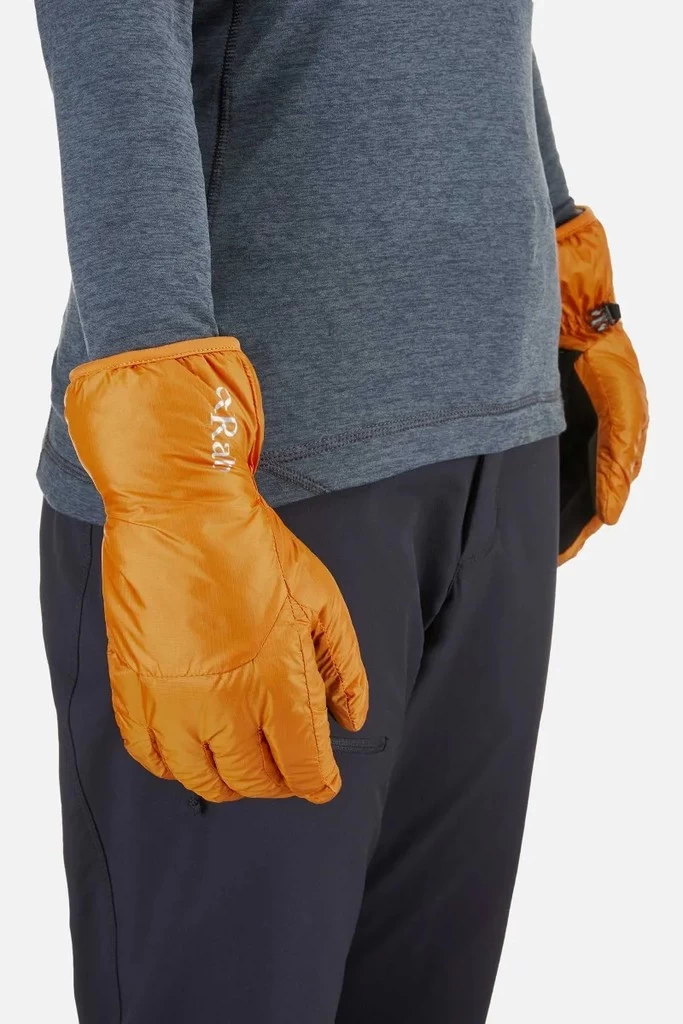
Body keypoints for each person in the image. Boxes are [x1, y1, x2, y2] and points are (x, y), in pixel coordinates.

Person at [35, 2, 648, 1022]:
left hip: (498, 442)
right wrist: (180, 483)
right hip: (251, 497)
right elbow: (113, 41)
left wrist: (561, 252)